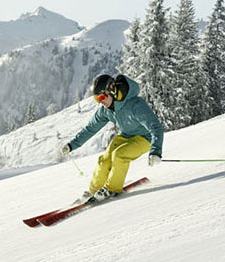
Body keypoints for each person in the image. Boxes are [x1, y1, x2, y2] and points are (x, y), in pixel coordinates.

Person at [60, 73, 165, 202]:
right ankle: (93, 191)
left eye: (102, 97)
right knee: (104, 160)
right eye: (97, 99)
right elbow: (90, 129)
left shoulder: (135, 104)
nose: (101, 102)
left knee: (119, 155)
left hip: (145, 137)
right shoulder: (106, 110)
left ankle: (112, 189)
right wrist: (72, 145)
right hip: (126, 135)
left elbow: (156, 127)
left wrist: (156, 151)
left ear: (113, 90)